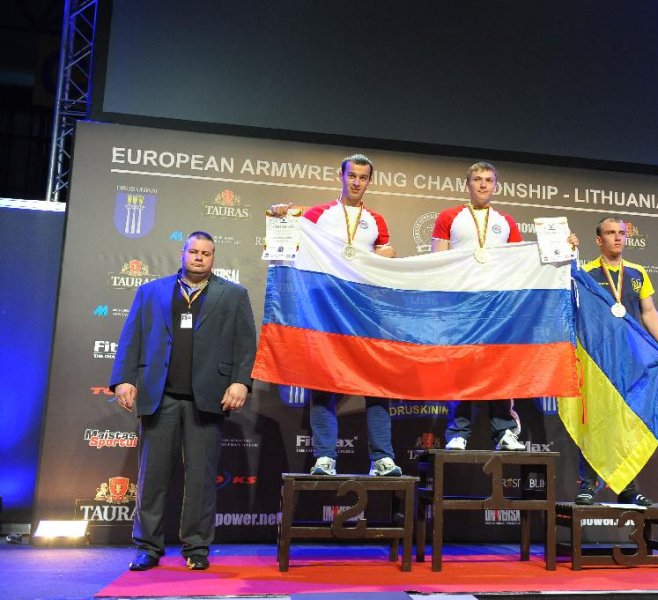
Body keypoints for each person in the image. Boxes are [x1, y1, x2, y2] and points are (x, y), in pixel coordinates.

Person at [110, 231, 256, 571]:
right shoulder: (151, 292)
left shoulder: (233, 295)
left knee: (202, 481)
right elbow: (131, 337)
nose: (200, 257)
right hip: (159, 397)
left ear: (213, 258)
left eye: (207, 253)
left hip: (207, 400)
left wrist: (240, 382)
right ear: (183, 252)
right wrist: (123, 380)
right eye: (194, 251)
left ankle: (197, 548)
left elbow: (245, 345)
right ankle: (147, 547)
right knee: (152, 478)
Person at [269, 153, 401, 477]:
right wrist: (281, 218)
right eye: (351, 175)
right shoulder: (318, 215)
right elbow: (290, 245)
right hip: (325, 308)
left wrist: (386, 253)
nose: (356, 182)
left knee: (376, 383)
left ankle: (382, 459)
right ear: (339, 176)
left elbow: (387, 256)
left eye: (362, 177)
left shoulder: (376, 220)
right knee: (322, 380)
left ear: (369, 181)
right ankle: (325, 457)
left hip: (363, 310)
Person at [431, 161, 578, 451]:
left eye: (488, 180)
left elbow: (521, 260)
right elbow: (438, 262)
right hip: (463, 305)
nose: (483, 184)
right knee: (463, 368)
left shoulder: (505, 221)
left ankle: (505, 431)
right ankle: (458, 432)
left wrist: (564, 245)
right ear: (467, 184)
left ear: (495, 186)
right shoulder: (449, 217)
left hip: (497, 305)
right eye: (477, 179)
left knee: (501, 367)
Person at [575, 216, 658, 506]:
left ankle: (627, 487)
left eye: (621, 233)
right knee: (594, 420)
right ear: (598, 240)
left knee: (628, 423)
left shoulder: (637, 273)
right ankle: (587, 484)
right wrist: (568, 253)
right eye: (610, 233)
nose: (617, 238)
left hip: (631, 359)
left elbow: (649, 311)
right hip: (599, 359)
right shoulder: (585, 273)